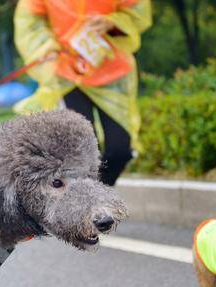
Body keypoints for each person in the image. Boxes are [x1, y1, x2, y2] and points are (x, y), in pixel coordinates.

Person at [14, 0, 152, 186]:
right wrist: (45, 46)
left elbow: (137, 13)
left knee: (120, 150)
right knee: (83, 150)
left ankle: (94, 194)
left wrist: (112, 23)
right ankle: (90, 204)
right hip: (68, 76)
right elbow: (30, 22)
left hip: (112, 72)